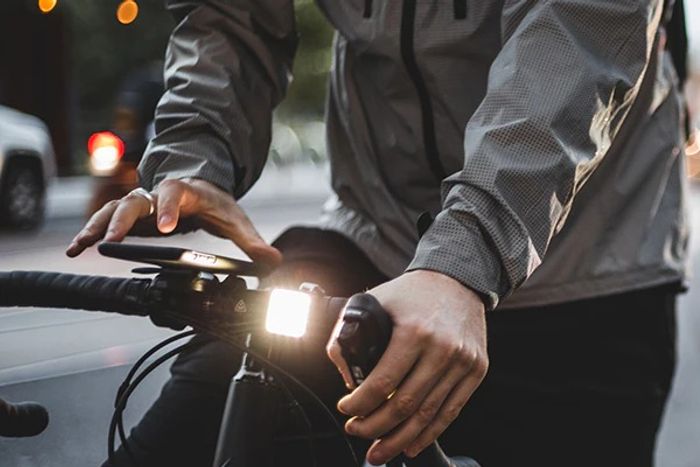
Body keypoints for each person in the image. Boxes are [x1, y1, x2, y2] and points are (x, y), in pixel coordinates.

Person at [67, 1, 687, 466]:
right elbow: (228, 16)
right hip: (375, 234)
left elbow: (576, 42)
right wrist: (194, 158)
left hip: (587, 264)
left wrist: (463, 259)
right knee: (194, 422)